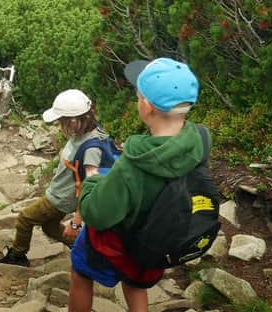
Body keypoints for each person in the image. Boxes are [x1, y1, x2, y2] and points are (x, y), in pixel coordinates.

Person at [69, 57, 204, 312]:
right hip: (156, 246)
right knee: (136, 285)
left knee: (80, 272)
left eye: (137, 95)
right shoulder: (198, 142)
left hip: (122, 248)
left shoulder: (133, 165)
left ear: (147, 107)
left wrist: (93, 182)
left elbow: (96, 215)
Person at [0, 89, 109, 267]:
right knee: (50, 227)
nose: (59, 124)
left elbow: (91, 184)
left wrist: (76, 223)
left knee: (25, 219)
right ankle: (87, 249)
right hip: (60, 193)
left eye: (61, 121)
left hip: (60, 199)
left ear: (74, 121)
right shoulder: (84, 133)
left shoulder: (91, 148)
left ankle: (18, 256)